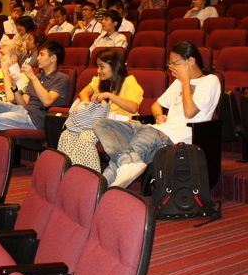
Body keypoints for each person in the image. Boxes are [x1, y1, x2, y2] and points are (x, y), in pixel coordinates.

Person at [94, 42, 221, 188]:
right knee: (102, 124)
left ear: (191, 61)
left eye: (175, 63)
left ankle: (99, 191)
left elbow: (190, 112)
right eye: (170, 63)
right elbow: (156, 105)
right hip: (156, 129)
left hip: (174, 136)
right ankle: (126, 163)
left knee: (129, 156)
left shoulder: (210, 81)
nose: (171, 67)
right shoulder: (178, 83)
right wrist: (159, 115)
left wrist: (186, 80)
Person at [57, 49, 143, 172]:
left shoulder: (129, 81)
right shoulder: (99, 80)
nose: (98, 71)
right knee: (68, 134)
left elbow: (133, 107)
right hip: (102, 124)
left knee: (87, 136)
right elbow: (83, 93)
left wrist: (109, 95)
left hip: (123, 126)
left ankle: (89, 176)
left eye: (102, 67)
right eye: (98, 66)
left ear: (114, 66)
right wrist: (88, 107)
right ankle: (67, 172)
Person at [0, 40, 70, 132]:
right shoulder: (38, 77)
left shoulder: (61, 78)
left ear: (53, 58)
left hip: (37, 119)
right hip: (24, 112)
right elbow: (23, 104)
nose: (37, 58)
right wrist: (14, 88)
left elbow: (47, 101)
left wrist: (33, 77)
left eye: (42, 55)